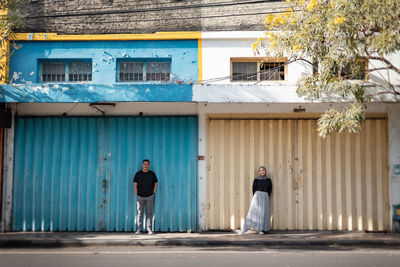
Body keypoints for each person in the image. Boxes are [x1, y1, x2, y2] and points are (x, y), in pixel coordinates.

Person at [239, 166, 272, 235]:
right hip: (257, 196)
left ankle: (260, 229)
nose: (261, 172)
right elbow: (253, 189)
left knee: (263, 213)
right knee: (253, 212)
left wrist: (265, 196)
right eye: (260, 170)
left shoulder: (268, 180)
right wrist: (257, 195)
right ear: (259, 172)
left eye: (263, 170)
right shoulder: (256, 179)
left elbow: (270, 189)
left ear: (265, 171)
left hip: (265, 197)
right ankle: (245, 228)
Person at [133, 159, 158, 235]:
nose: (146, 165)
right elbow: (135, 185)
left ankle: (149, 229)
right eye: (144, 164)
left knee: (149, 213)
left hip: (149, 196)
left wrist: (153, 192)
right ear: (142, 165)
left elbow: (156, 184)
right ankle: (139, 229)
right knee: (140, 213)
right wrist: (136, 194)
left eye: (147, 164)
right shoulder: (138, 174)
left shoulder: (152, 174)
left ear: (149, 165)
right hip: (140, 196)